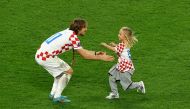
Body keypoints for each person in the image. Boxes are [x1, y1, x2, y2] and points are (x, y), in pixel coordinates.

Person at [35, 18, 114, 103]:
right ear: (79, 28)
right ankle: (57, 97)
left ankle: (53, 94)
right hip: (46, 57)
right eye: (85, 27)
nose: (86, 29)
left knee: (68, 71)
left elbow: (82, 50)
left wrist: (95, 53)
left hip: (43, 54)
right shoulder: (73, 38)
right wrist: (101, 58)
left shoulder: (68, 32)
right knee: (62, 75)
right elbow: (84, 55)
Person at [101, 27, 145, 99]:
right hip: (121, 65)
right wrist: (115, 44)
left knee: (127, 86)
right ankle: (115, 94)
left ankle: (139, 84)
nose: (118, 35)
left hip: (126, 68)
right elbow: (120, 48)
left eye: (120, 34)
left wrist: (105, 45)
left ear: (125, 36)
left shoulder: (122, 45)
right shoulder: (125, 43)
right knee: (111, 77)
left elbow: (115, 49)